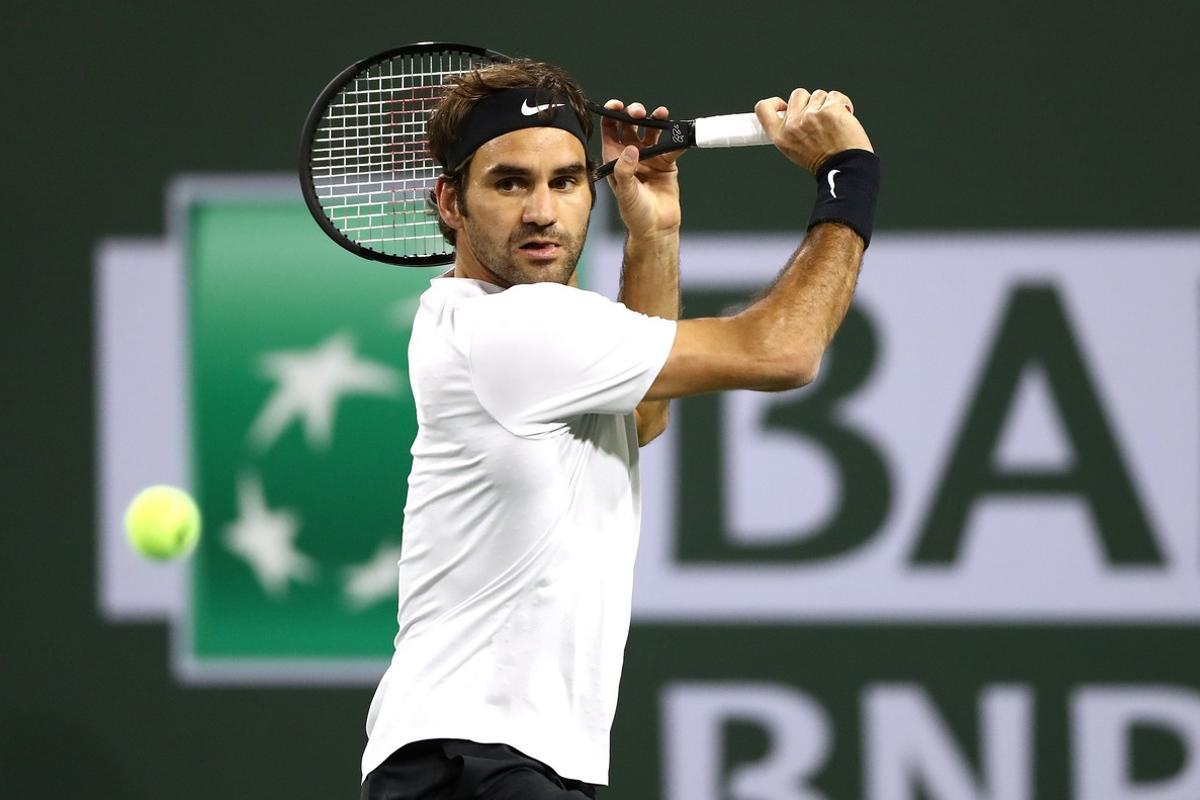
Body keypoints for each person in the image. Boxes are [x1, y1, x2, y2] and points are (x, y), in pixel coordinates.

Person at [359, 58, 878, 800]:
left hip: (482, 765)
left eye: (566, 182)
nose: (543, 211)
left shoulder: (484, 323)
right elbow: (784, 351)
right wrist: (847, 175)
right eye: (510, 183)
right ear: (449, 202)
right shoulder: (517, 327)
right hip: (473, 763)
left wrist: (655, 232)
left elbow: (641, 418)